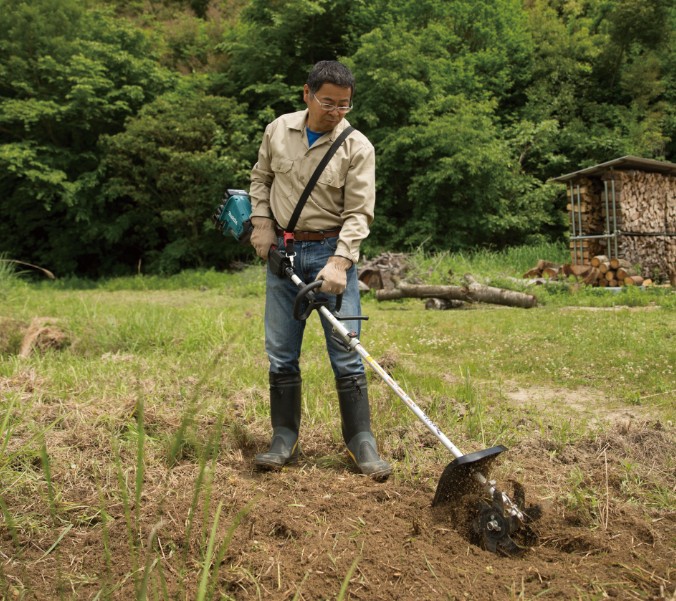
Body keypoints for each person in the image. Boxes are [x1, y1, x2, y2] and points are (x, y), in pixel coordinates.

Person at [248, 60, 391, 480]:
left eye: (344, 105)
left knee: (347, 353)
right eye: (328, 102)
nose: (335, 112)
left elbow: (360, 213)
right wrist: (261, 224)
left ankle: (360, 442)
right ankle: (283, 437)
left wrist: (341, 262)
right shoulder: (278, 130)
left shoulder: (357, 146)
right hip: (285, 253)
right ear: (306, 93)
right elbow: (261, 179)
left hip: (332, 255)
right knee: (281, 353)